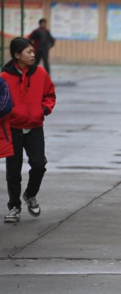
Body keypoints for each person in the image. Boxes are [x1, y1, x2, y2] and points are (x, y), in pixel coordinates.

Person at [2, 38, 56, 223]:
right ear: (17, 55)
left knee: (39, 165)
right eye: (28, 52)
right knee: (13, 171)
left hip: (35, 128)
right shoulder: (4, 77)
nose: (33, 55)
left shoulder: (40, 73)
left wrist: (44, 109)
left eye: (33, 52)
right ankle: (14, 207)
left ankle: (30, 195)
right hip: (13, 129)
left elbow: (50, 95)